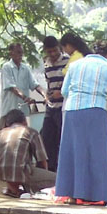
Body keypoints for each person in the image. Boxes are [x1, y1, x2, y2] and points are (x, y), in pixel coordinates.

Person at [55, 42, 107, 204]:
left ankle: (71, 195)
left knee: (73, 151)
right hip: (95, 111)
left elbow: (64, 91)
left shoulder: (75, 65)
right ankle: (101, 196)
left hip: (72, 110)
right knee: (97, 153)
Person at [0, 109, 48, 198]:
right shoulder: (31, 132)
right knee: (56, 181)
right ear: (24, 121)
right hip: (20, 171)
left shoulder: (2, 133)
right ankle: (27, 189)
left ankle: (12, 189)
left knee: (12, 163)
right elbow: (42, 160)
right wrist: (43, 176)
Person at [40, 36, 69, 173]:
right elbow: (49, 84)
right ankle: (49, 169)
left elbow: (71, 85)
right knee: (46, 138)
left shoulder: (67, 62)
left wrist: (61, 93)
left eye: (54, 51)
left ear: (59, 48)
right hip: (50, 107)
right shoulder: (46, 64)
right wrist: (47, 96)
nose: (52, 54)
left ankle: (60, 168)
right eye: (49, 52)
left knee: (61, 138)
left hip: (62, 108)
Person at [0, 42, 45, 129]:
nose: (20, 55)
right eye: (18, 52)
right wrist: (25, 98)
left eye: (21, 53)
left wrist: (45, 95)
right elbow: (12, 88)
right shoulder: (7, 67)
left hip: (22, 114)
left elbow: (35, 85)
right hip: (9, 111)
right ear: (11, 53)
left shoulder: (26, 68)